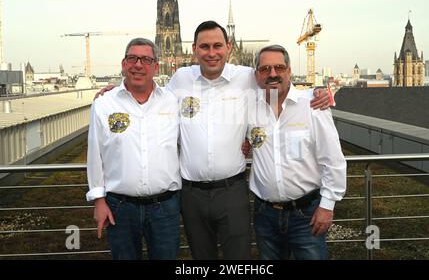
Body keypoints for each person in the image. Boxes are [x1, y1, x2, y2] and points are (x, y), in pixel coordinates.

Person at [96, 21, 331, 260]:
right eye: (204, 46)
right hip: (191, 194)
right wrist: (116, 90)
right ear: (194, 49)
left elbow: (276, 85)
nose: (211, 52)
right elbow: (150, 92)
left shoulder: (247, 77)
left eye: (217, 45)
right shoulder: (179, 79)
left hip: (233, 190)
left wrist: (316, 94)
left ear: (228, 47)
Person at [247, 44, 346, 260]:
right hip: (265, 214)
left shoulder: (312, 104)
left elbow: (334, 160)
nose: (272, 74)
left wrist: (327, 206)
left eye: (279, 68)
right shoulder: (250, 109)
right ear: (256, 76)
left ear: (289, 71)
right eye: (265, 69)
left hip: (306, 214)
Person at [86, 38, 181, 260]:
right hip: (120, 207)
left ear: (155, 67)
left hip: (165, 207)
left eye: (146, 59)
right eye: (132, 58)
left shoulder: (172, 101)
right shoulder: (104, 103)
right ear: (123, 64)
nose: (138, 65)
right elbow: (95, 155)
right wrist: (99, 201)